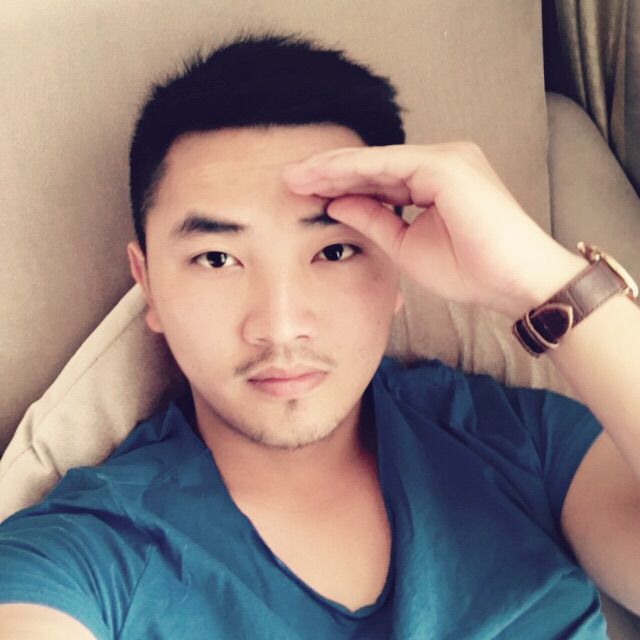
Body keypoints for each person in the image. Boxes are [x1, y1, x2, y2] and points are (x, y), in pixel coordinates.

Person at [0, 30, 639, 640]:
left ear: (396, 267)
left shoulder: (522, 443)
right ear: (148, 284)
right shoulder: (81, 552)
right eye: (217, 259)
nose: (280, 326)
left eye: (334, 252)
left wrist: (541, 279)